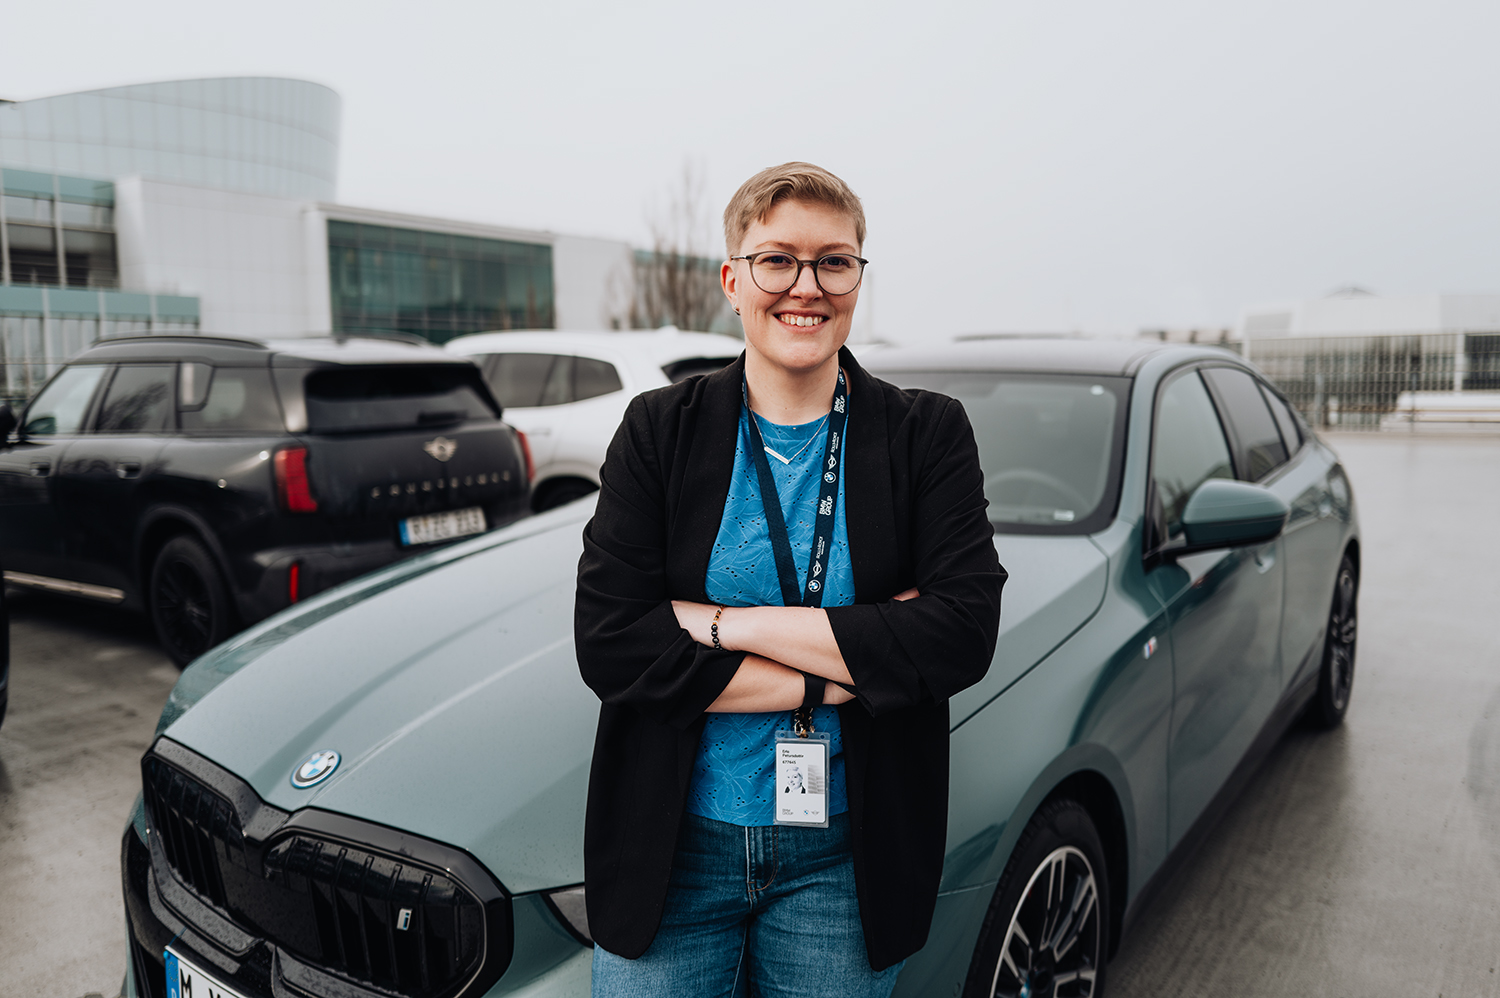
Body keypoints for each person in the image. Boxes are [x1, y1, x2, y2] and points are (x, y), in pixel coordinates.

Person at [575, 161, 1005, 998]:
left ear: (856, 278)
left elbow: (959, 634)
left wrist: (720, 623)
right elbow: (613, 646)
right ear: (733, 281)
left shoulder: (928, 436)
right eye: (778, 260)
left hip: (844, 855)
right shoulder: (661, 432)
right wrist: (861, 665)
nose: (805, 286)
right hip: (675, 850)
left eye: (834, 261)